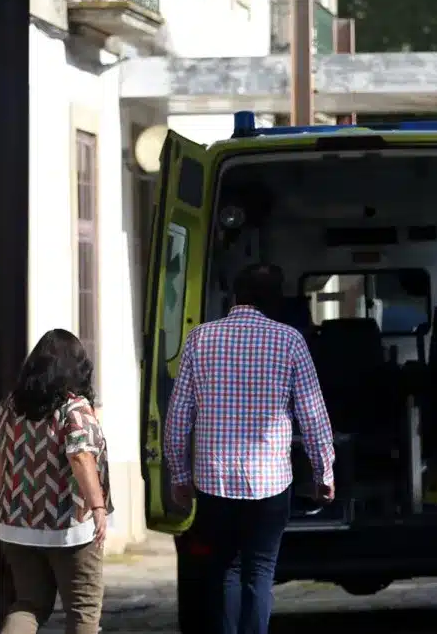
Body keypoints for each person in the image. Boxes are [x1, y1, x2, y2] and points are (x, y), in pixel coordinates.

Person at [166, 263, 335, 634]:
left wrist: (179, 476)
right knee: (259, 570)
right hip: (270, 483)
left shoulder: (199, 339)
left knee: (225, 569)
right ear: (274, 301)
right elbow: (313, 414)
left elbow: (178, 417)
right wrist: (324, 473)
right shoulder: (289, 340)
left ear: (233, 296)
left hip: (214, 482)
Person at [0, 328, 113, 634]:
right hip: (69, 529)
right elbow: (80, 457)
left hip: (16, 526)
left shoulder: (7, 408)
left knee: (29, 605)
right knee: (83, 611)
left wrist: (12, 501)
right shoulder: (74, 409)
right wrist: (97, 506)